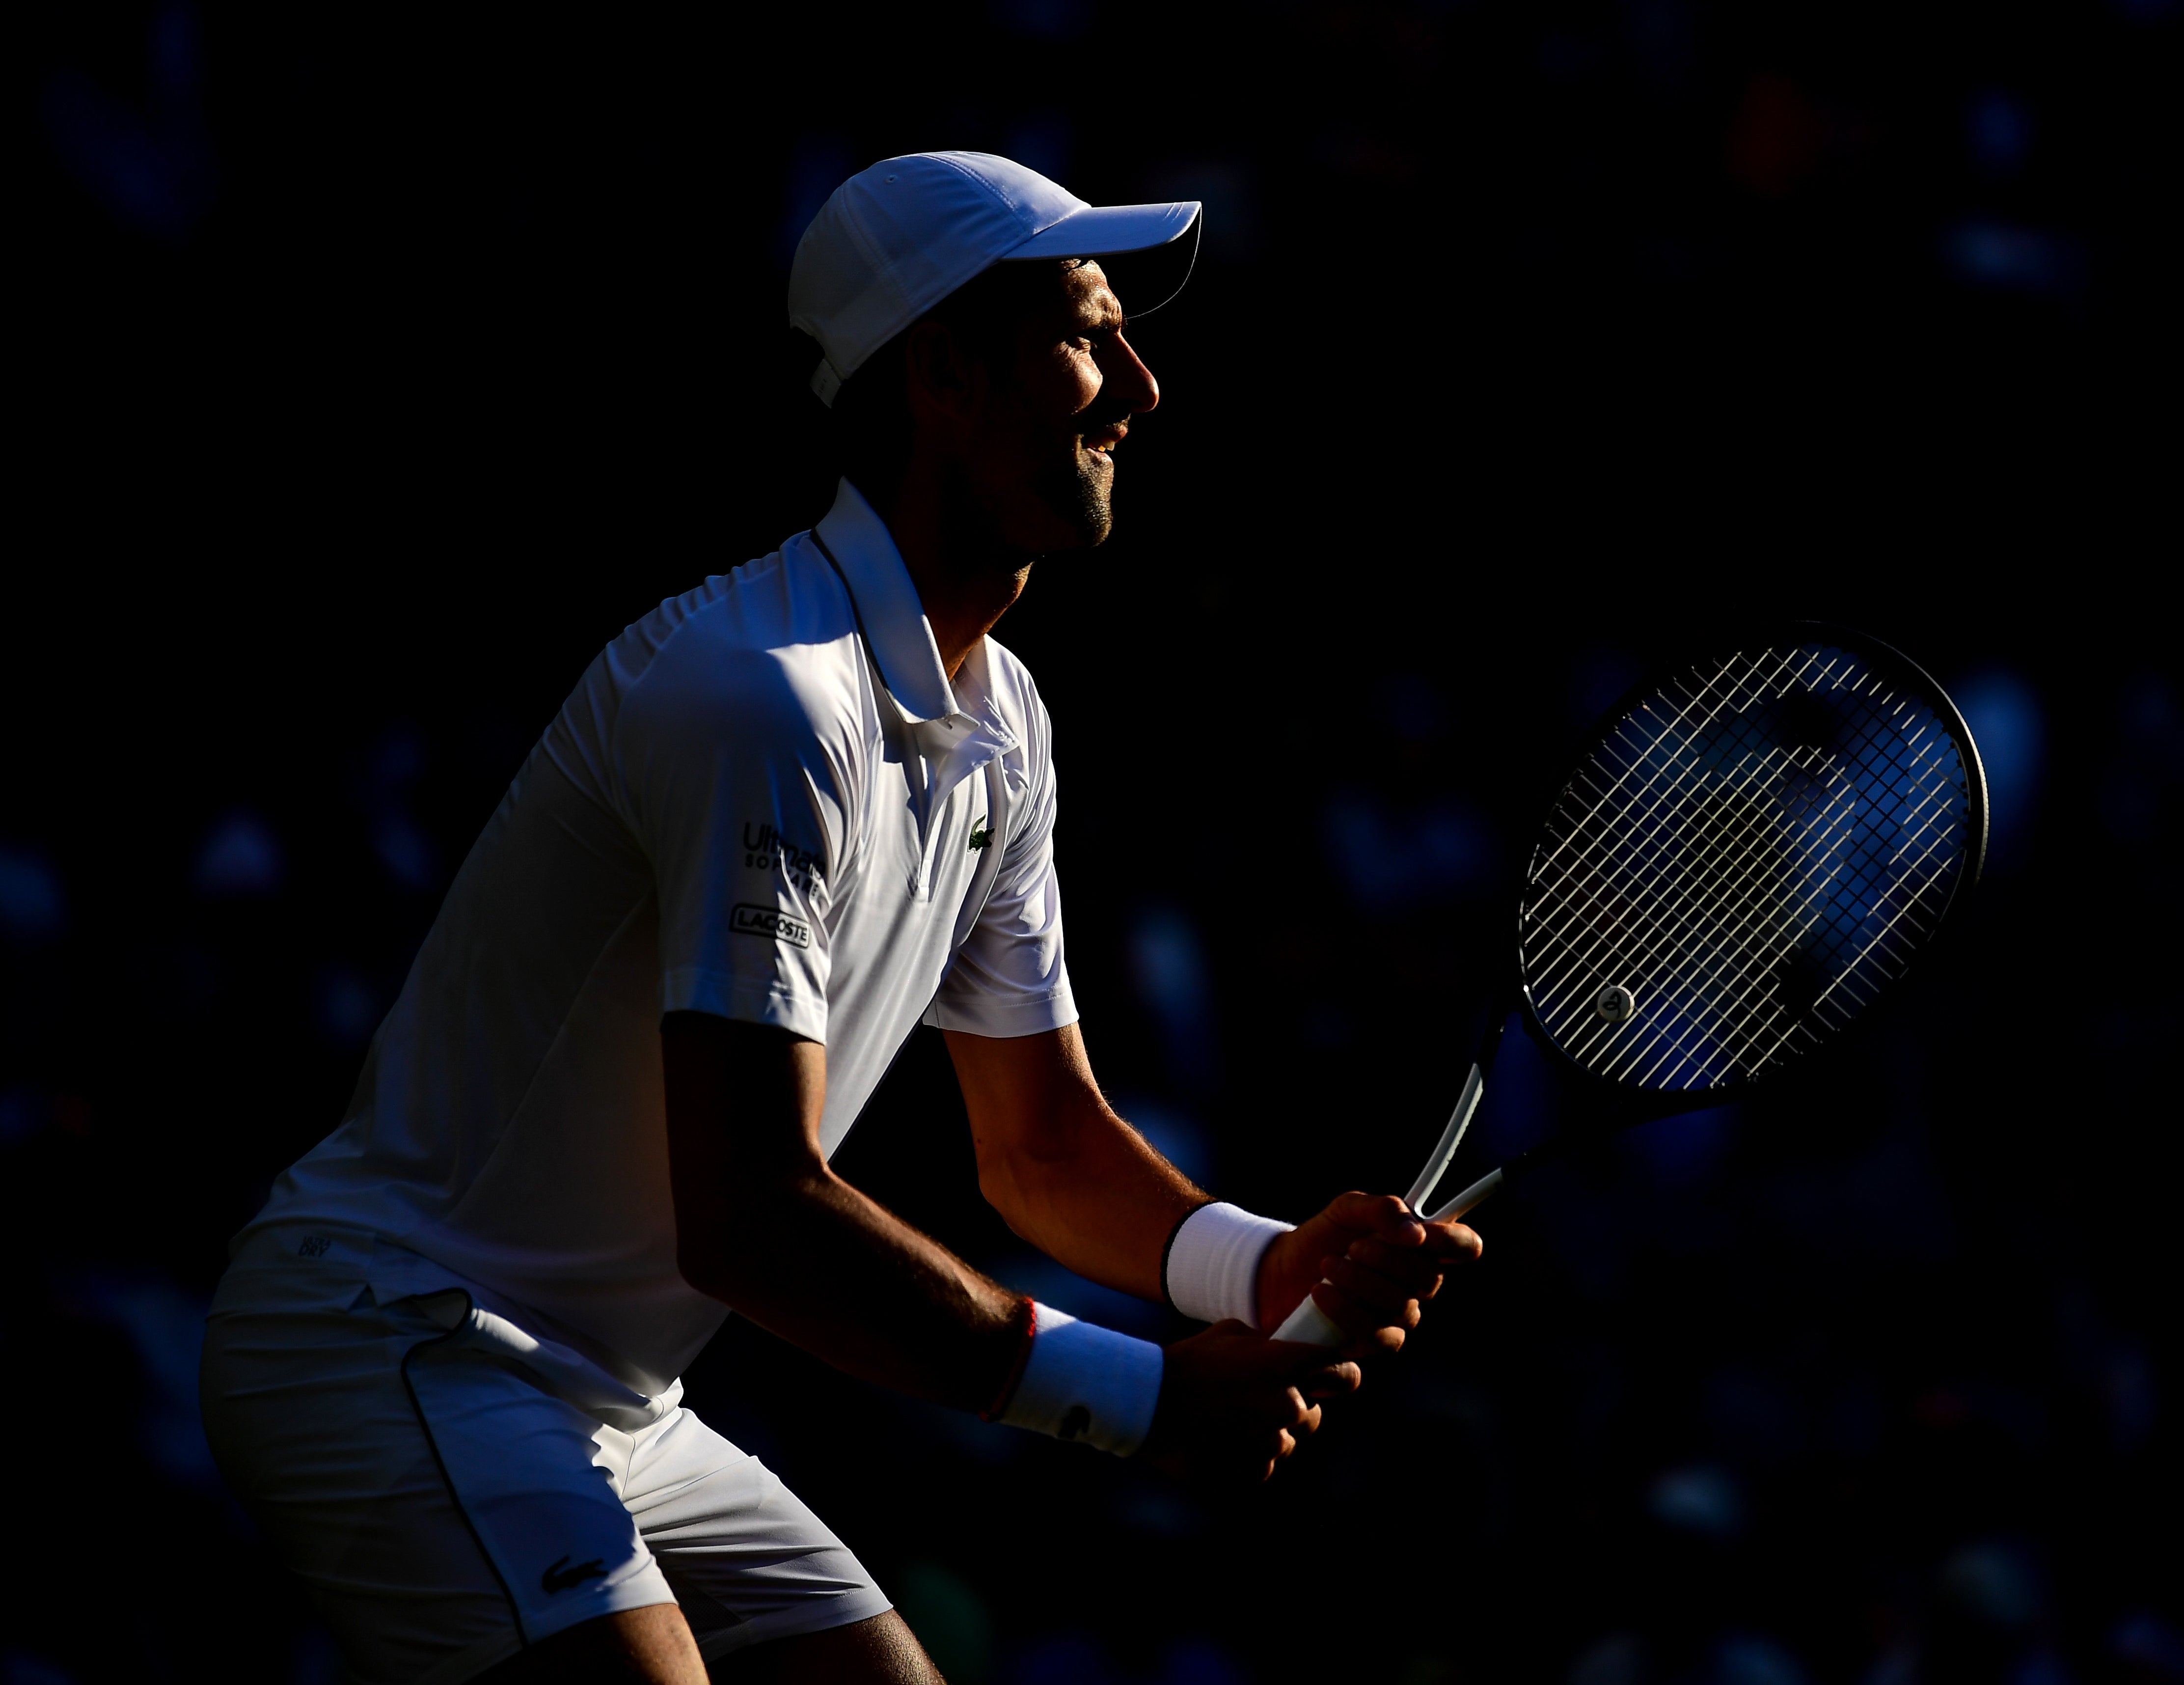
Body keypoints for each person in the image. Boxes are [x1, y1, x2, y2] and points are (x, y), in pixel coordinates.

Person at [199, 152, 1481, 1685]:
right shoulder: (762, 701)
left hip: (615, 1401)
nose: (1139, 386)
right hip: (392, 1337)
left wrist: (1253, 1273)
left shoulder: (1003, 712)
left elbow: (1041, 1145)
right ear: (941, 373)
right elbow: (752, 1216)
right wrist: (1139, 1401)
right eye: (1087, 334)